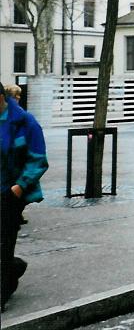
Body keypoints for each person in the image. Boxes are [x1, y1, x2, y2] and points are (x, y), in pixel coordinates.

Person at [0, 81, 48, 311]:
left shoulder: (25, 121)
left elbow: (38, 159)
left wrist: (19, 187)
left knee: (3, 243)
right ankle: (14, 268)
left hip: (9, 194)